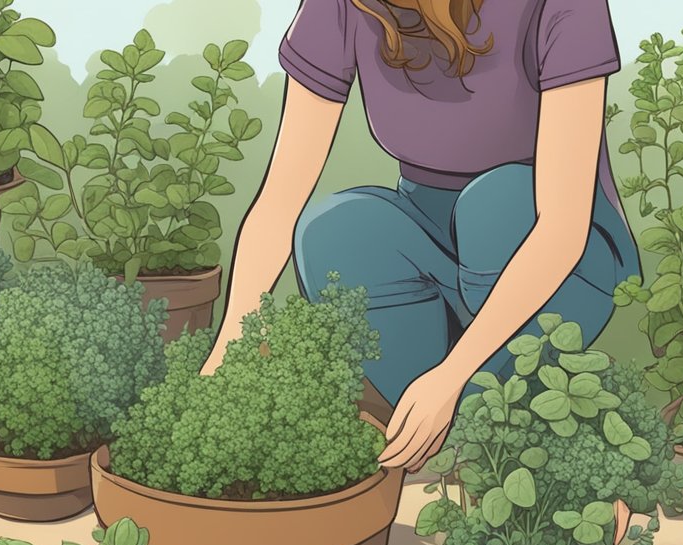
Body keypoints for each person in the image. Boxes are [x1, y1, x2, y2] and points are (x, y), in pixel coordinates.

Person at [200, 0, 639, 472]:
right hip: (432, 240)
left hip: (560, 256)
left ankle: (557, 451)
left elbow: (561, 228)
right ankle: (460, 431)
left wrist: (452, 376)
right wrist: (227, 351)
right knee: (333, 232)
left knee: (491, 206)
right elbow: (280, 202)